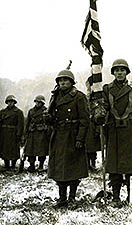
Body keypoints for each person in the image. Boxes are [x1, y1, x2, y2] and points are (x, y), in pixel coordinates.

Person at [100, 59, 132, 207]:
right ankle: (115, 197)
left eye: (122, 70)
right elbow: (104, 108)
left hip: (131, 130)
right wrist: (100, 115)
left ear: (126, 72)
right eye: (116, 70)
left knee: (130, 166)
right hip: (113, 130)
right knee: (114, 166)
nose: (119, 73)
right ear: (113, 72)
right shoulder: (107, 89)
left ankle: (130, 196)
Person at [46, 68, 89, 207]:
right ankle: (62, 198)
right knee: (59, 169)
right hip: (59, 135)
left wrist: (80, 139)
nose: (63, 83)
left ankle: (71, 198)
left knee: (73, 169)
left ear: (71, 82)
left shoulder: (78, 96)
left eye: (66, 80)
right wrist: (48, 118)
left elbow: (84, 120)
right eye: (60, 80)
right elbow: (52, 117)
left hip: (73, 135)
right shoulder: (55, 97)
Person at [24, 95, 50, 172]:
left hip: (42, 133)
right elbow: (27, 122)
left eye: (40, 102)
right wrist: (26, 133)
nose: (38, 104)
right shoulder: (31, 111)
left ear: (43, 103)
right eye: (36, 102)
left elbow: (49, 123)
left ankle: (41, 165)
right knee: (30, 151)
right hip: (32, 133)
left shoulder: (46, 111)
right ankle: (31, 165)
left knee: (41, 151)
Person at [0, 95, 24, 171]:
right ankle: (6, 165)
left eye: (12, 102)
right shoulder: (2, 111)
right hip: (4, 133)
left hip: (13, 133)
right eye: (9, 102)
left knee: (14, 149)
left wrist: (19, 134)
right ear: (7, 102)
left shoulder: (18, 112)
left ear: (14, 102)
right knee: (4, 149)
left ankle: (13, 165)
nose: (10, 103)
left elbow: (20, 124)